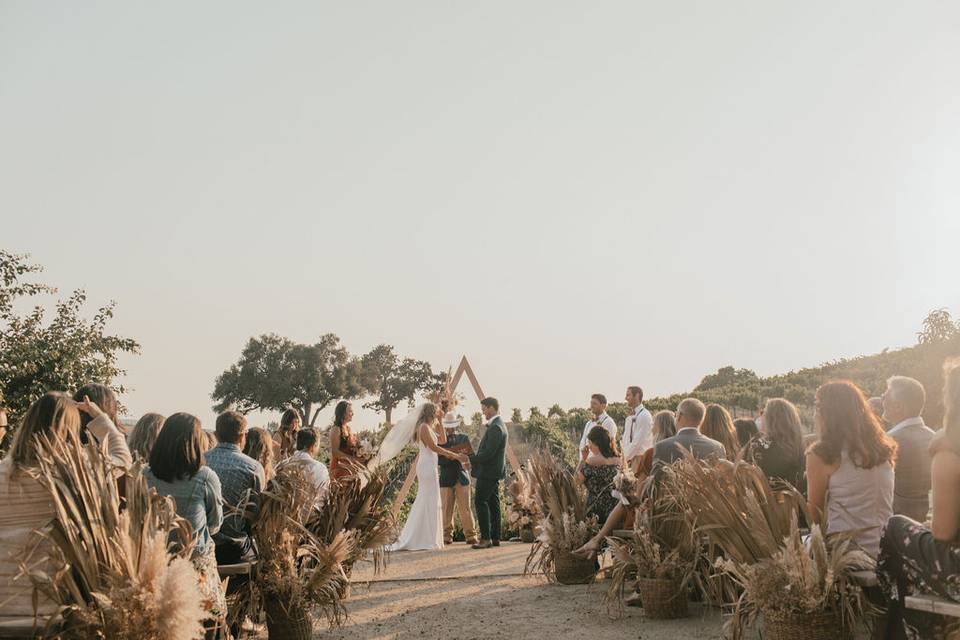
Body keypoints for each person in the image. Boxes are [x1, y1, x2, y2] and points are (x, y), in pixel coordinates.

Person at [0, 392, 130, 623]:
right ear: (70, 430)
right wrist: (98, 416)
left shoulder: (3, 472)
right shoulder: (75, 475)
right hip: (49, 609)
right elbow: (121, 458)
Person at [878, 361, 960, 639]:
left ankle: (906, 631)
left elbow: (943, 532)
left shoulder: (948, 449)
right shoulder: (931, 438)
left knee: (893, 528)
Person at [144, 413, 226, 638]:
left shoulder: (144, 474)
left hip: (153, 565)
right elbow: (215, 524)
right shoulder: (205, 477)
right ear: (196, 442)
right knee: (212, 622)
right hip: (194, 568)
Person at [806, 381, 896, 557]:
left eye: (817, 406)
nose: (814, 413)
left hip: (846, 551)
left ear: (826, 413)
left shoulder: (822, 454)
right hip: (886, 546)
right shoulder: (883, 449)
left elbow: (814, 516)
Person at [574, 409, 677, 558]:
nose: (651, 428)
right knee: (621, 502)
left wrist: (582, 460)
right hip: (675, 509)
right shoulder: (618, 460)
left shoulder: (650, 454)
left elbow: (576, 483)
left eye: (653, 425)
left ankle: (596, 544)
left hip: (601, 510)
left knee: (625, 502)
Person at [388, 403, 469, 551]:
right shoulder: (423, 427)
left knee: (431, 500)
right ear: (431, 412)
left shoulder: (429, 427)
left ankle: (429, 537)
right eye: (438, 411)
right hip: (426, 467)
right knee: (427, 498)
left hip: (431, 466)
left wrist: (440, 423)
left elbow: (443, 441)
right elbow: (435, 448)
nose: (440, 411)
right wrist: (455, 455)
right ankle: (420, 537)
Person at [205, 411, 266, 565]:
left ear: (216, 434)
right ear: (241, 437)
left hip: (202, 540)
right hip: (233, 546)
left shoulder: (200, 459)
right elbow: (257, 511)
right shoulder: (253, 467)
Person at [882, 376, 936, 522]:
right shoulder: (934, 437)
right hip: (930, 521)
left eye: (885, 395)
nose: (882, 399)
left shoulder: (889, 441)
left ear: (898, 406)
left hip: (897, 525)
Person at [470, 397, 509, 550]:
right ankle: (496, 537)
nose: (483, 413)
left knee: (480, 501)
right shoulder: (499, 425)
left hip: (488, 471)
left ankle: (485, 538)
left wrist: (470, 457)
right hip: (494, 471)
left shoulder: (496, 428)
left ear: (492, 408)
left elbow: (488, 454)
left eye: (484, 409)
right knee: (493, 503)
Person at [746, 398, 805, 490]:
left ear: (771, 419)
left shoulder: (758, 447)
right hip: (794, 502)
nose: (761, 417)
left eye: (763, 413)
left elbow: (749, 481)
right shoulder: (800, 448)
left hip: (765, 502)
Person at [438, 412, 478, 545]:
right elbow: (439, 460)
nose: (450, 428)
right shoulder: (440, 440)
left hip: (462, 477)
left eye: (452, 425)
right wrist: (456, 455)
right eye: (448, 426)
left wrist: (451, 455)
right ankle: (446, 536)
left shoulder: (463, 438)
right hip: (446, 478)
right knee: (446, 508)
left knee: (465, 508)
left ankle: (471, 535)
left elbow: (470, 456)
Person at [652, 398, 725, 467]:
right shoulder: (718, 447)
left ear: (679, 416)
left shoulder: (662, 447)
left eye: (676, 414)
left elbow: (657, 479)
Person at [576, 426, 621, 523]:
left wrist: (583, 459)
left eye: (589, 442)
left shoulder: (591, 462)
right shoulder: (618, 460)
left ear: (595, 443)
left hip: (596, 513)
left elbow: (576, 481)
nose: (588, 444)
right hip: (616, 510)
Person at [282, 427, 330, 506]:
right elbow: (323, 497)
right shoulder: (320, 468)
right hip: (311, 514)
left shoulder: (283, 464)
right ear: (312, 447)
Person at [620, 386, 653, 469]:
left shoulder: (644, 415)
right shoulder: (629, 417)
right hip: (629, 459)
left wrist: (624, 459)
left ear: (637, 395)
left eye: (628, 395)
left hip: (641, 459)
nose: (625, 398)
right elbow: (626, 439)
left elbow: (637, 442)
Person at [329, 400, 362, 481]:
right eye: (350, 411)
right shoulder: (336, 429)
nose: (353, 414)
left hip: (350, 469)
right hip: (339, 469)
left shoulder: (348, 429)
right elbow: (335, 452)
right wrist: (352, 459)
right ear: (343, 413)